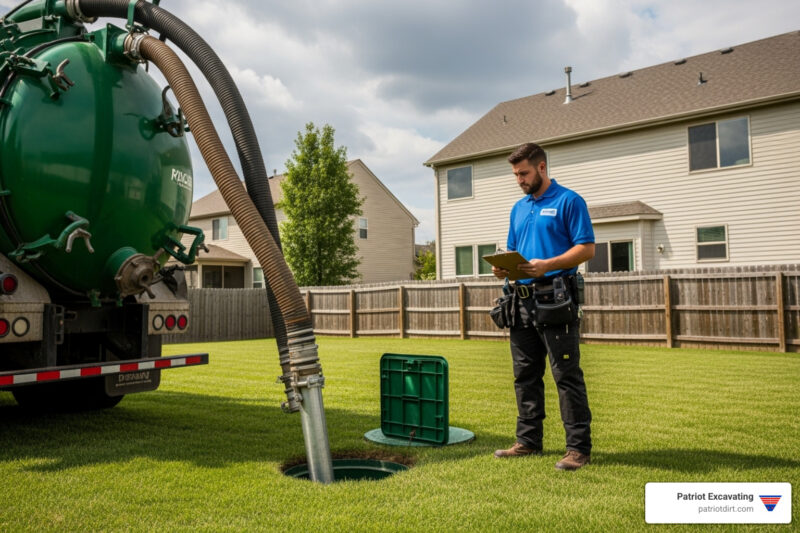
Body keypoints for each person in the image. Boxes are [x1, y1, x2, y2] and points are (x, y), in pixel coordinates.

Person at [491, 142, 595, 471]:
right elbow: (512, 251)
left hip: (556, 298)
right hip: (520, 301)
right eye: (515, 174)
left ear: (542, 168)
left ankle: (578, 449)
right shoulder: (518, 208)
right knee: (525, 376)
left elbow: (587, 248)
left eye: (523, 173)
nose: (519, 179)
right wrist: (502, 268)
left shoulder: (569, 201)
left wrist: (547, 264)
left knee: (566, 376)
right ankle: (528, 442)